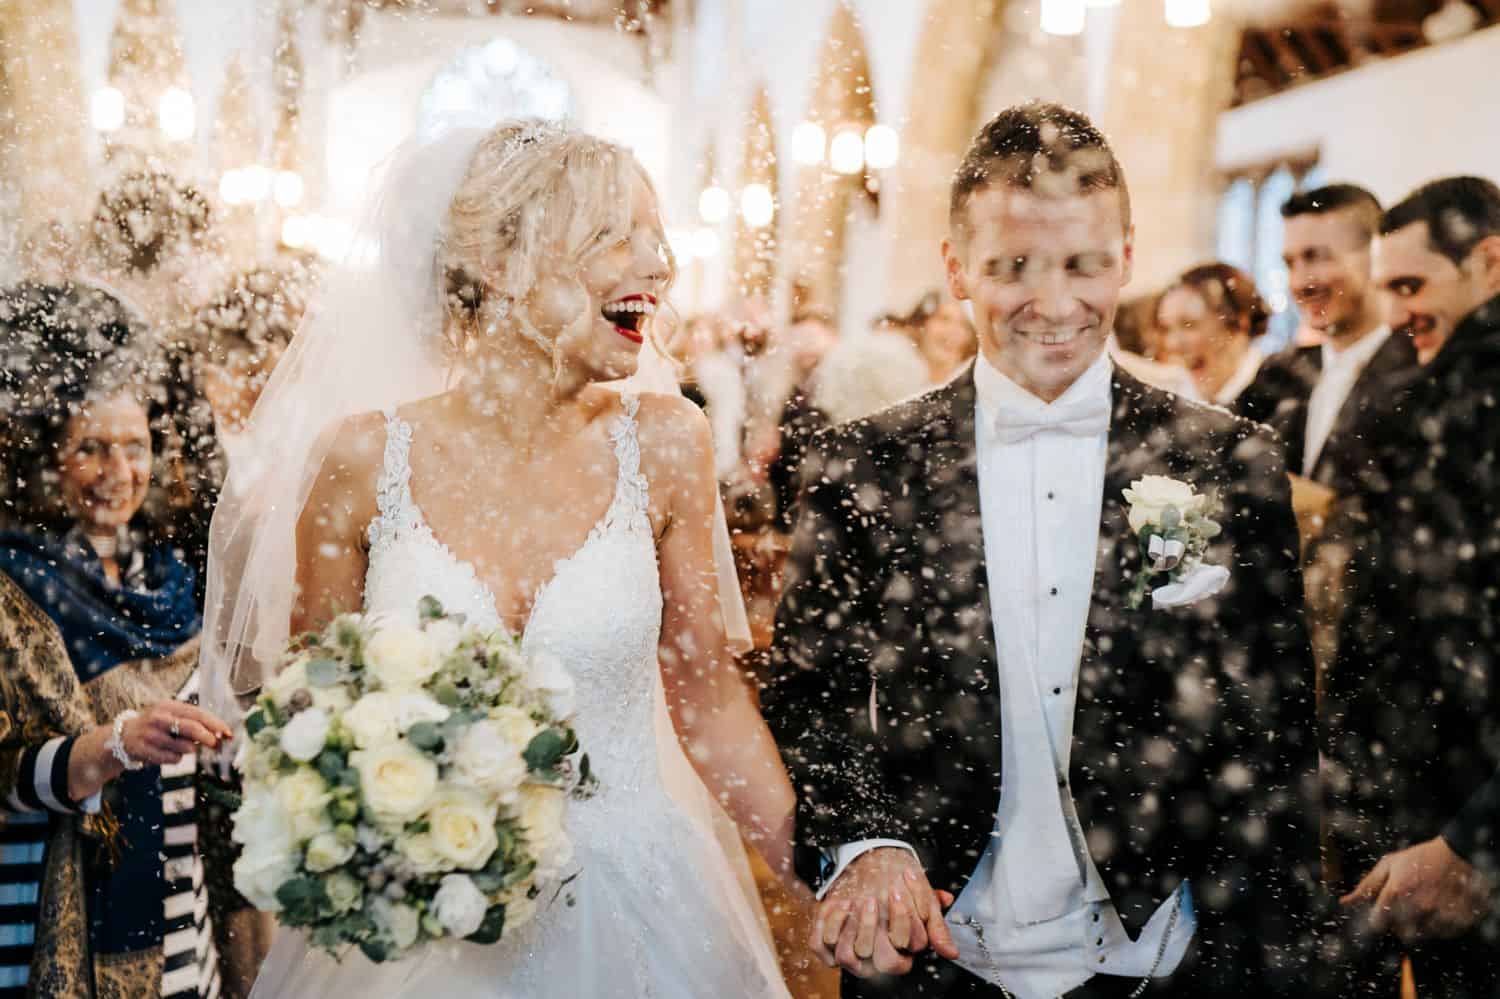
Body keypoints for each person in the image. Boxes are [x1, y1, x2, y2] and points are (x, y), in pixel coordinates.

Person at [200, 120, 800, 998]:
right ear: (497, 260)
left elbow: (708, 701)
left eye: (656, 233)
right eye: (615, 236)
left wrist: (824, 869)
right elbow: (312, 710)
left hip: (638, 904)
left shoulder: (668, 443)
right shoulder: (363, 460)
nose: (659, 264)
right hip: (421, 929)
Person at [763, 102, 1319, 998]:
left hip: (1164, 953)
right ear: (956, 267)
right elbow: (808, 689)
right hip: (938, 949)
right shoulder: (862, 463)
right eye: (1014, 266)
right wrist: (866, 842)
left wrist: (1275, 952)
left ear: (1128, 257)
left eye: (1085, 265)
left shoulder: (1224, 460)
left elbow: (1276, 723)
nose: (1055, 305)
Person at [0, 282, 234, 999]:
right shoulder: (12, 586)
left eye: (135, 447)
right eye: (91, 448)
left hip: (177, 920)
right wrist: (106, 747)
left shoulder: (167, 579)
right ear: (48, 457)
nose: (118, 473)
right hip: (34, 911)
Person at [1327, 176, 1500, 997]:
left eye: (1410, 284)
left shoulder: (1477, 396)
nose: (1394, 313)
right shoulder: (1439, 386)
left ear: (1490, 263)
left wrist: (1473, 842)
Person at [1246, 185, 1416, 492]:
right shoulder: (1281, 374)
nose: (1299, 282)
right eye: (1290, 263)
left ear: (1377, 254)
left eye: (1316, 258)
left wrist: (1326, 514)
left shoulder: (1419, 372)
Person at [1153, 262, 1274, 415]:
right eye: (1165, 329)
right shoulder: (1172, 400)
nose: (1172, 344)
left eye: (1189, 325)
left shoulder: (1278, 399)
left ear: (1238, 325)